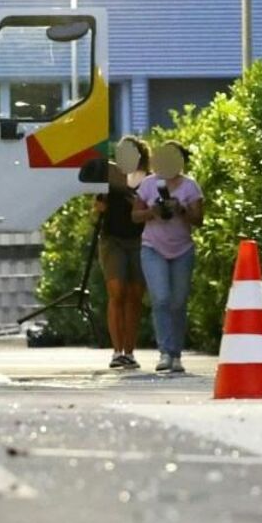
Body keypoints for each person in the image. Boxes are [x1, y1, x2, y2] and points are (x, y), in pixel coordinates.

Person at [131, 140, 206, 374]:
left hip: (182, 249)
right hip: (153, 247)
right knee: (161, 298)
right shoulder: (148, 184)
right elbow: (135, 215)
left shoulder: (190, 186)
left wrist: (181, 210)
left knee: (178, 302)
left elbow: (199, 220)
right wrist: (152, 212)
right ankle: (165, 352)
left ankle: (176, 354)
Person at [95, 137, 150, 371]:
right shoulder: (110, 175)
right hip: (112, 238)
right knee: (117, 292)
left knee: (135, 295)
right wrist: (101, 202)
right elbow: (98, 207)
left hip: (141, 239)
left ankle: (130, 351)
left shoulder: (149, 179)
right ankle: (117, 352)